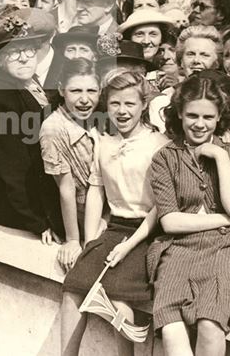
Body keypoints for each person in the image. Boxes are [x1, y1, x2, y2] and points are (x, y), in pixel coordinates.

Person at [147, 71, 230, 356]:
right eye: (192, 116)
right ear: (180, 115)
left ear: (220, 117)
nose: (199, 124)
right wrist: (228, 219)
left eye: (208, 118)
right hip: (178, 248)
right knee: (170, 324)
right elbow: (170, 221)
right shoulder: (165, 157)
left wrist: (220, 156)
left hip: (227, 246)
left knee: (210, 321)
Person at [60, 70, 168, 355]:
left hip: (148, 234)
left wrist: (129, 245)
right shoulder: (104, 142)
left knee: (119, 299)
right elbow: (97, 190)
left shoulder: (159, 145)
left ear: (144, 105)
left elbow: (161, 205)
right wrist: (90, 239)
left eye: (130, 104)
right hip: (115, 229)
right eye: (115, 104)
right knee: (73, 287)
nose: (122, 111)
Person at [0, 6, 61, 236]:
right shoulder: (2, 97)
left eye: (29, 49)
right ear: (0, 58)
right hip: (14, 204)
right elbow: (13, 170)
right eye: (13, 52)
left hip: (34, 189)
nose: (24, 57)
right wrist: (41, 223)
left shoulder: (28, 82)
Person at [40, 59, 100, 272]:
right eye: (75, 91)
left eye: (92, 90)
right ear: (61, 90)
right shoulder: (53, 128)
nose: (85, 99)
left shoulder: (96, 118)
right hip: (85, 216)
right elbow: (66, 188)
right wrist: (72, 239)